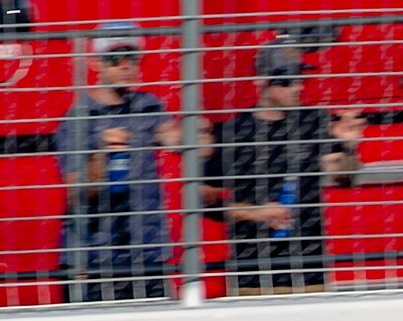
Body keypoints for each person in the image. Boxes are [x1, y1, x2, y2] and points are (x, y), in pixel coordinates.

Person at [206, 39, 363, 295]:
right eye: (287, 80)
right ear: (262, 81)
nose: (297, 87)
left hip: (310, 270)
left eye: (300, 78)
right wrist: (255, 213)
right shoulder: (232, 133)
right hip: (254, 274)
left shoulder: (315, 121)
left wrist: (348, 146)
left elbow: (345, 177)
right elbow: (202, 201)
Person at [54, 21, 178, 301]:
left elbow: (174, 138)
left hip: (148, 252)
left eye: (131, 57)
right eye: (114, 58)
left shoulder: (149, 106)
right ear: (97, 63)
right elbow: (77, 193)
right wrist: (102, 153)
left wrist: (194, 133)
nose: (125, 65)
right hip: (95, 258)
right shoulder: (79, 117)